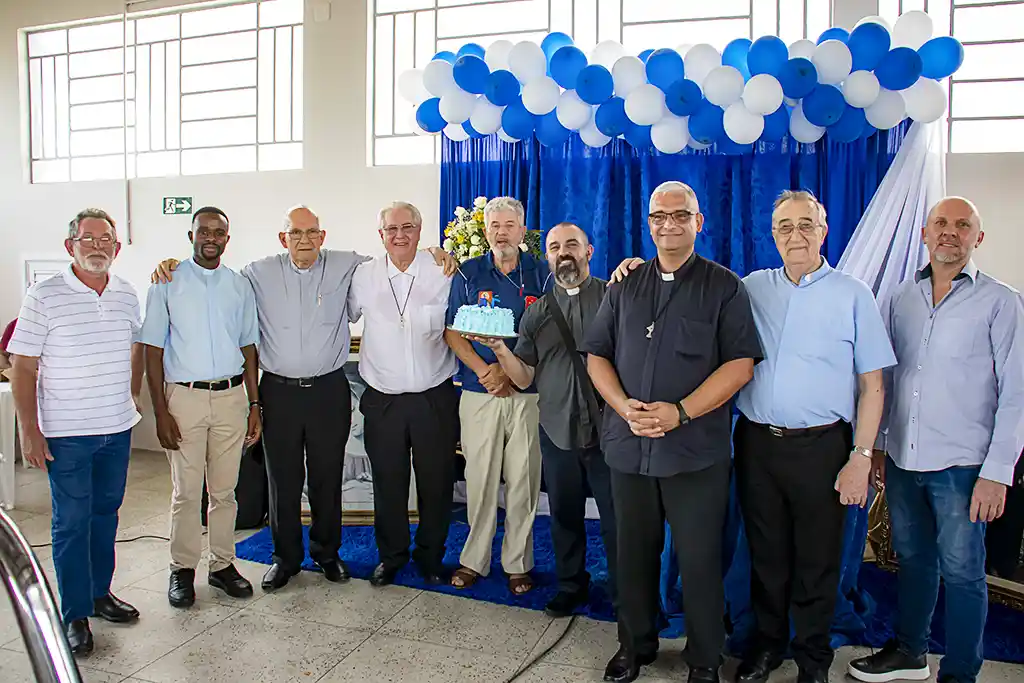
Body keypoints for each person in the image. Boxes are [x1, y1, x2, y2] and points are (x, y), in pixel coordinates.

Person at [151, 206, 455, 592]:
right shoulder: (256, 273)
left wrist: (433, 252)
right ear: (284, 238)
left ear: (323, 236)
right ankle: (285, 559)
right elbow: (212, 273)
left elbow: (398, 251)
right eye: (295, 233)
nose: (304, 240)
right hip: (279, 391)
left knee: (328, 476)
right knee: (283, 480)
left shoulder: (350, 266)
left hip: (328, 390)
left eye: (312, 232)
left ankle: (327, 554)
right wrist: (173, 266)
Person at [584, 181, 762, 683]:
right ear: (649, 223)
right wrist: (623, 407)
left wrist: (680, 413)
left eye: (680, 215)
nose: (669, 224)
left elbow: (740, 365)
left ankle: (705, 657)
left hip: (694, 451)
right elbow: (596, 355)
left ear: (698, 222)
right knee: (632, 556)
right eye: (659, 216)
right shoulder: (624, 285)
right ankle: (634, 644)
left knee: (700, 559)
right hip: (629, 446)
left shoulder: (724, 287)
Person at [849, 197, 1024, 683]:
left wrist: (998, 473)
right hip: (903, 459)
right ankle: (910, 653)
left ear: (977, 238)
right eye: (940, 223)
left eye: (962, 225)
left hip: (964, 467)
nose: (950, 231)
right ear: (925, 234)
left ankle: (961, 672)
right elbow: (886, 377)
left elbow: (1017, 393)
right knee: (913, 561)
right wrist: (878, 444)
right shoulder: (900, 297)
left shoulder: (1001, 302)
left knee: (964, 573)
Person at [731, 191, 896, 683]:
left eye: (806, 224)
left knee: (818, 562)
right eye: (785, 226)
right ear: (773, 235)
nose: (796, 235)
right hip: (757, 444)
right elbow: (695, 299)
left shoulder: (853, 294)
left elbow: (873, 385)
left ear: (823, 232)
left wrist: (860, 456)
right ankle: (767, 647)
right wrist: (637, 267)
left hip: (824, 448)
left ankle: (813, 661)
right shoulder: (751, 288)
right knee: (765, 556)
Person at [8, 208, 144, 655]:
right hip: (66, 434)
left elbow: (134, 348)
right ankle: (74, 614)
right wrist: (30, 429)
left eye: (106, 240)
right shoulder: (44, 295)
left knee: (106, 514)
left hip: (116, 429)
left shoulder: (126, 293)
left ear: (117, 247)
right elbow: (22, 367)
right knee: (71, 522)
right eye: (88, 239)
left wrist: (131, 395)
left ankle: (100, 594)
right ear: (71, 246)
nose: (97, 247)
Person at [468, 222, 617, 617]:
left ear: (589, 251)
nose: (563, 252)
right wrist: (500, 350)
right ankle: (571, 586)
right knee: (564, 516)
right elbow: (523, 378)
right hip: (556, 429)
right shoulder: (536, 312)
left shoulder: (614, 297)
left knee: (618, 518)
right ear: (547, 257)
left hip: (609, 431)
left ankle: (626, 592)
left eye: (572, 244)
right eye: (555, 247)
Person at [140, 206, 261, 609]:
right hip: (184, 399)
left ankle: (222, 565)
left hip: (230, 398)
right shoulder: (167, 282)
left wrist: (254, 404)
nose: (211, 238)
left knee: (225, 492)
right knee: (186, 492)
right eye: (203, 231)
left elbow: (248, 347)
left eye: (218, 232)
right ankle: (182, 569)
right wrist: (160, 411)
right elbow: (152, 350)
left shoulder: (238, 285)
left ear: (227, 238)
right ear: (190, 235)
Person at [444, 196, 553, 595]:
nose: (502, 232)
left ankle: (518, 562)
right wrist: (485, 371)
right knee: (480, 479)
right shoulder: (468, 272)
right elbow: (452, 331)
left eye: (509, 225)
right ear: (485, 230)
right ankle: (474, 559)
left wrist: (511, 372)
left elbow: (551, 333)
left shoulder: (542, 274)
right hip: (479, 391)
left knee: (524, 479)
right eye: (495, 226)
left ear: (523, 230)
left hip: (527, 393)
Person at [347, 201, 459, 587]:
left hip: (434, 396)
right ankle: (391, 556)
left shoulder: (443, 271)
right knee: (388, 483)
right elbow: (344, 313)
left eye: (407, 227)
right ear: (380, 235)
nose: (399, 235)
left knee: (436, 484)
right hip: (383, 399)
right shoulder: (363, 276)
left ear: (419, 230)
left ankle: (431, 556)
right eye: (391, 229)